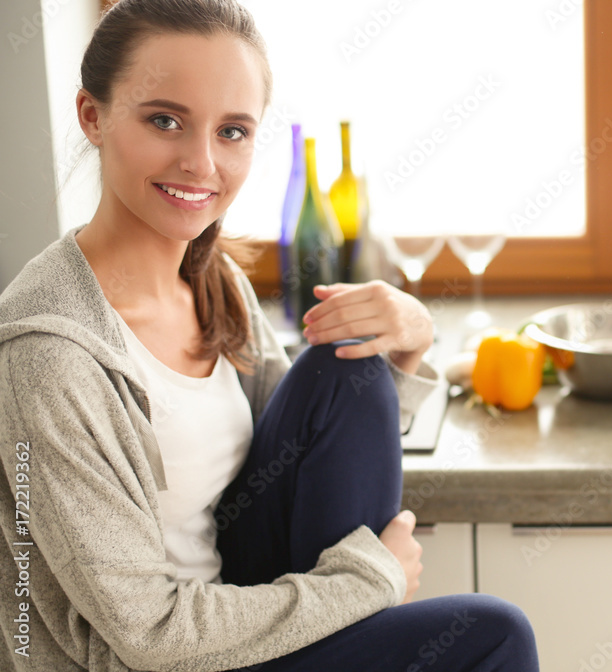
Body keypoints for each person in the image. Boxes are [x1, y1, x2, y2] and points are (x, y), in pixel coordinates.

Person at [0, 0, 539, 670]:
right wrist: (369, 580)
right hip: (161, 656)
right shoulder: (48, 354)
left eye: (232, 132)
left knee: (350, 362)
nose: (200, 162)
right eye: (165, 120)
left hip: (244, 610)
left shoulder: (210, 275)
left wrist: (408, 346)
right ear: (93, 117)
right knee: (493, 634)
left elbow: (310, 455)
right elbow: (148, 636)